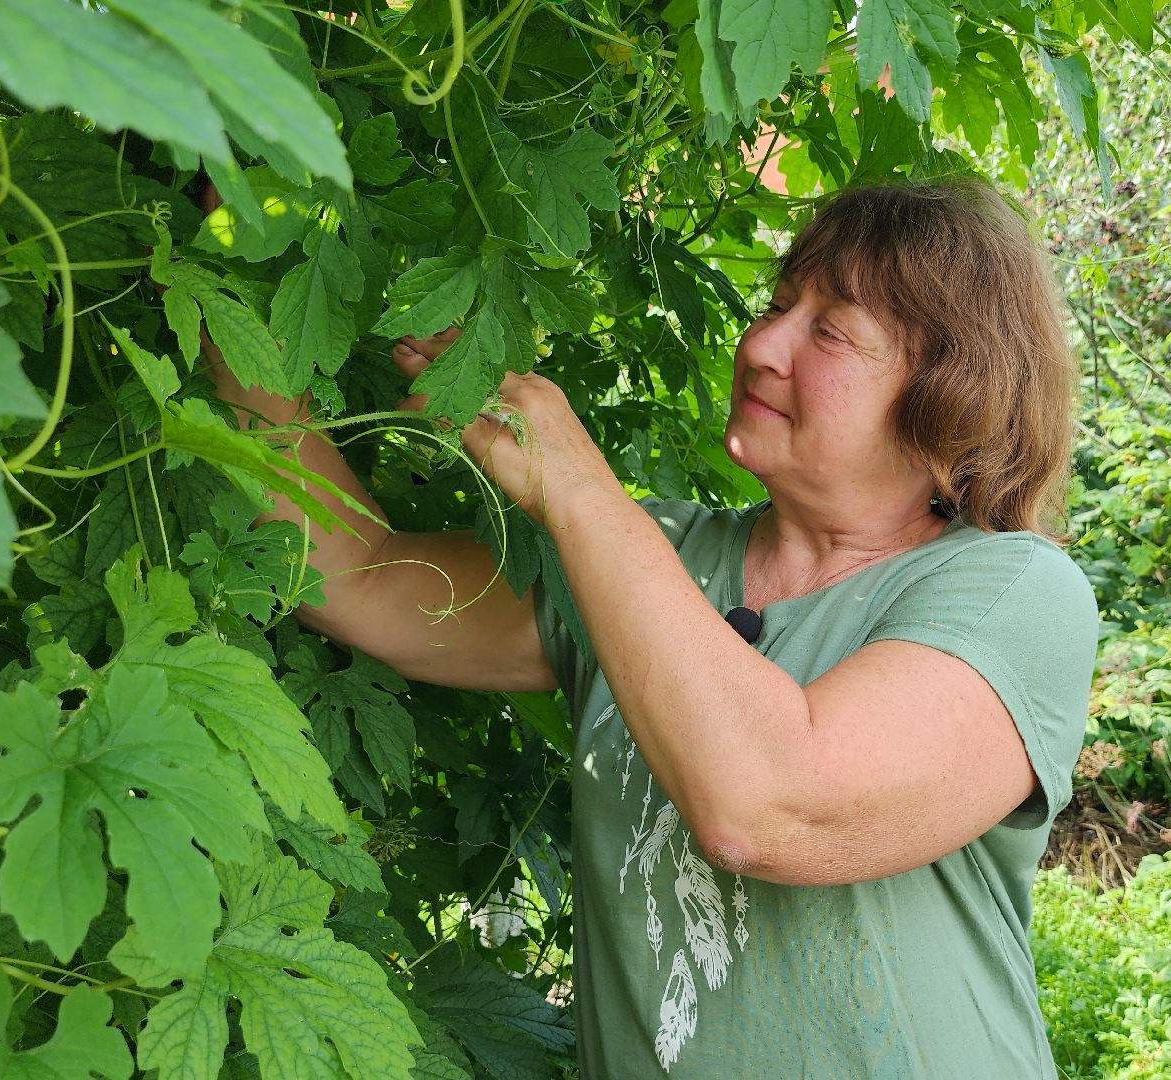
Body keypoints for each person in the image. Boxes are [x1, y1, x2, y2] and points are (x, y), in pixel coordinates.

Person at [200, 176, 1098, 1078]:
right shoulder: (656, 556)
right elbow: (358, 577)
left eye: (830, 331)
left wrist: (578, 489)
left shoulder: (1014, 592)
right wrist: (224, 267)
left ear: (950, 391)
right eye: (778, 304)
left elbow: (769, 806)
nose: (763, 346)